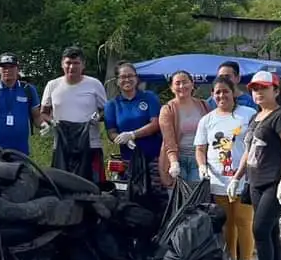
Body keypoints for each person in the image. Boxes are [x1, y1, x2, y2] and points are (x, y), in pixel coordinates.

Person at [230, 71, 281, 260]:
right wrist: (237, 176)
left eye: (263, 88)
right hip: (255, 181)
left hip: (273, 181)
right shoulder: (256, 117)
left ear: (276, 90)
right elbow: (249, 150)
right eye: (255, 88)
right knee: (271, 231)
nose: (258, 92)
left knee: (259, 229)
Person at [195, 76, 257, 260]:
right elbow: (201, 148)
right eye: (217, 92)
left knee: (243, 220)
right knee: (227, 222)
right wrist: (202, 167)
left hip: (243, 178)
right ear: (212, 95)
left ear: (233, 93)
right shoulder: (207, 119)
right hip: (218, 180)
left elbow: (254, 145)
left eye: (225, 91)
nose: (221, 95)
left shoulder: (248, 115)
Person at [40, 46, 108, 183]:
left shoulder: (94, 84)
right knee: (62, 185)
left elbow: (106, 110)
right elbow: (43, 113)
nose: (72, 67)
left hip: (90, 144)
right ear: (62, 64)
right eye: (68, 63)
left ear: (83, 65)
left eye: (76, 63)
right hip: (62, 145)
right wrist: (50, 123)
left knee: (92, 186)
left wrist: (98, 118)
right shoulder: (52, 85)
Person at [103, 62, 163, 194]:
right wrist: (121, 138)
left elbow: (156, 123)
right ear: (117, 81)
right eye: (123, 77)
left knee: (156, 194)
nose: (127, 79)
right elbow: (111, 132)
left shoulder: (149, 97)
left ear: (137, 78)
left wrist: (133, 134)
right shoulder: (111, 105)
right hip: (128, 160)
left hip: (153, 157)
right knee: (129, 195)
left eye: (130, 76)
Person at [0, 53, 41, 154]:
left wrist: (46, 126)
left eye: (11, 67)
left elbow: (37, 118)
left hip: (22, 151)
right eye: (4, 67)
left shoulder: (28, 90)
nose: (7, 70)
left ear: (18, 69)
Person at [158, 70, 208, 188]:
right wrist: (174, 162)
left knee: (197, 199)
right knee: (178, 199)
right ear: (171, 88)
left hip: (198, 159)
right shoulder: (168, 109)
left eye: (185, 82)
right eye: (177, 83)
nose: (181, 86)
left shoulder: (204, 105)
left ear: (192, 84)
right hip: (177, 159)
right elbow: (168, 140)